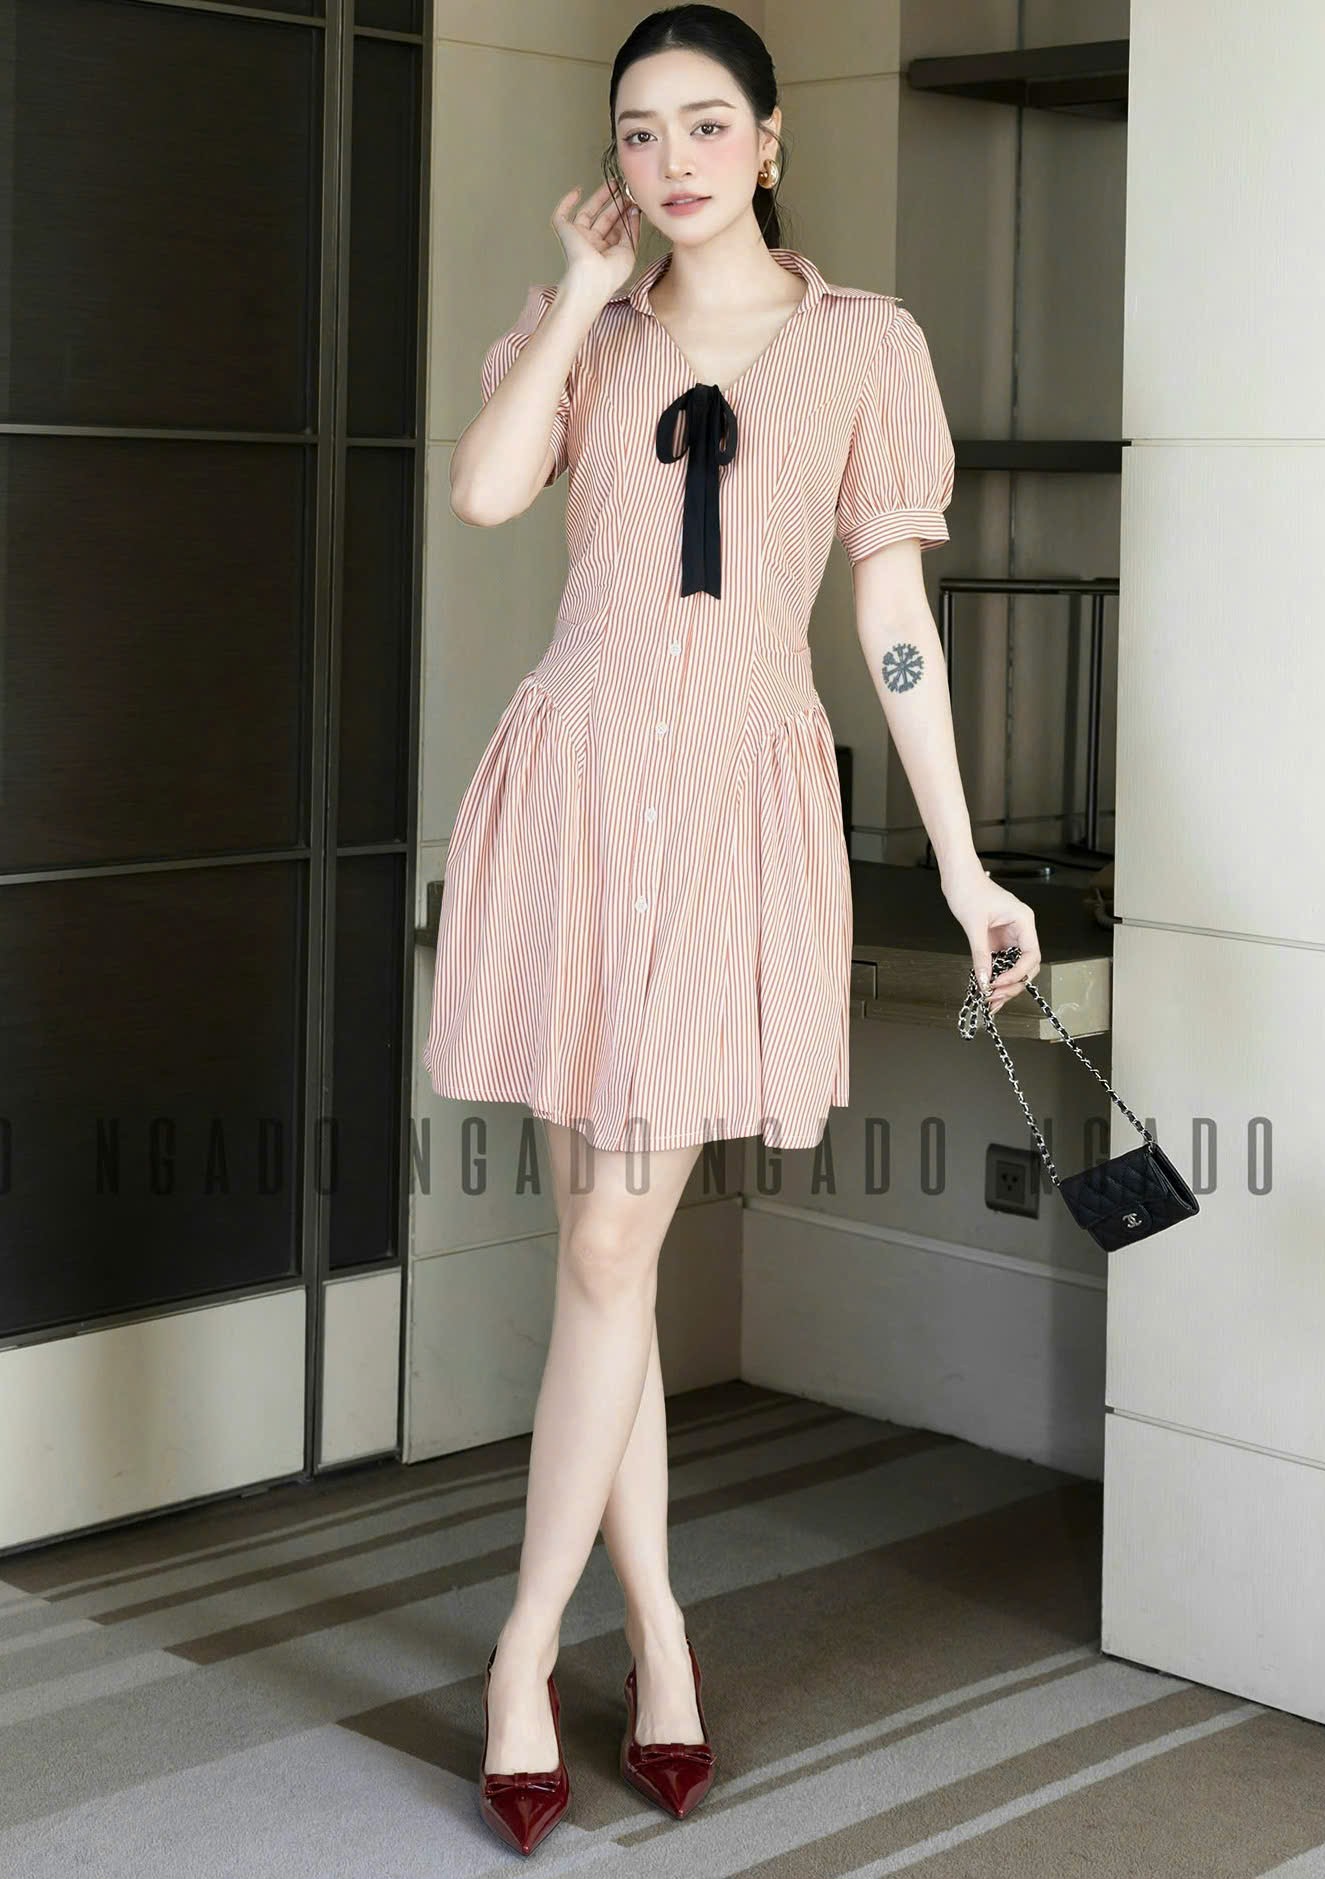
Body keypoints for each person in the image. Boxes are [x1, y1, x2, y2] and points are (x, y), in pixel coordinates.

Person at [422, 5, 1042, 1854]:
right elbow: (485, 491)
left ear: (770, 141)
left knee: (611, 1247)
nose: (671, 159)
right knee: (601, 1265)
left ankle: (524, 1652)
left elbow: (892, 621)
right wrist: (568, 296)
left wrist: (961, 862)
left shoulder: (864, 347)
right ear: (610, 161)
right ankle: (662, 1639)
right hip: (570, 792)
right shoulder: (587, 336)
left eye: (706, 124)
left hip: (732, 820)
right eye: (637, 130)